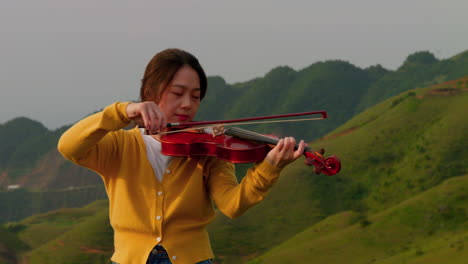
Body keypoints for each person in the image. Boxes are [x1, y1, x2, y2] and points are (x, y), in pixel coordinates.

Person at [58, 48, 305, 264]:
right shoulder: (119, 146)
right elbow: (69, 146)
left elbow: (232, 205)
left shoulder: (208, 149)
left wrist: (268, 169)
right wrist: (123, 110)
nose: (188, 104)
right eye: (178, 93)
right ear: (150, 92)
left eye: (195, 96)